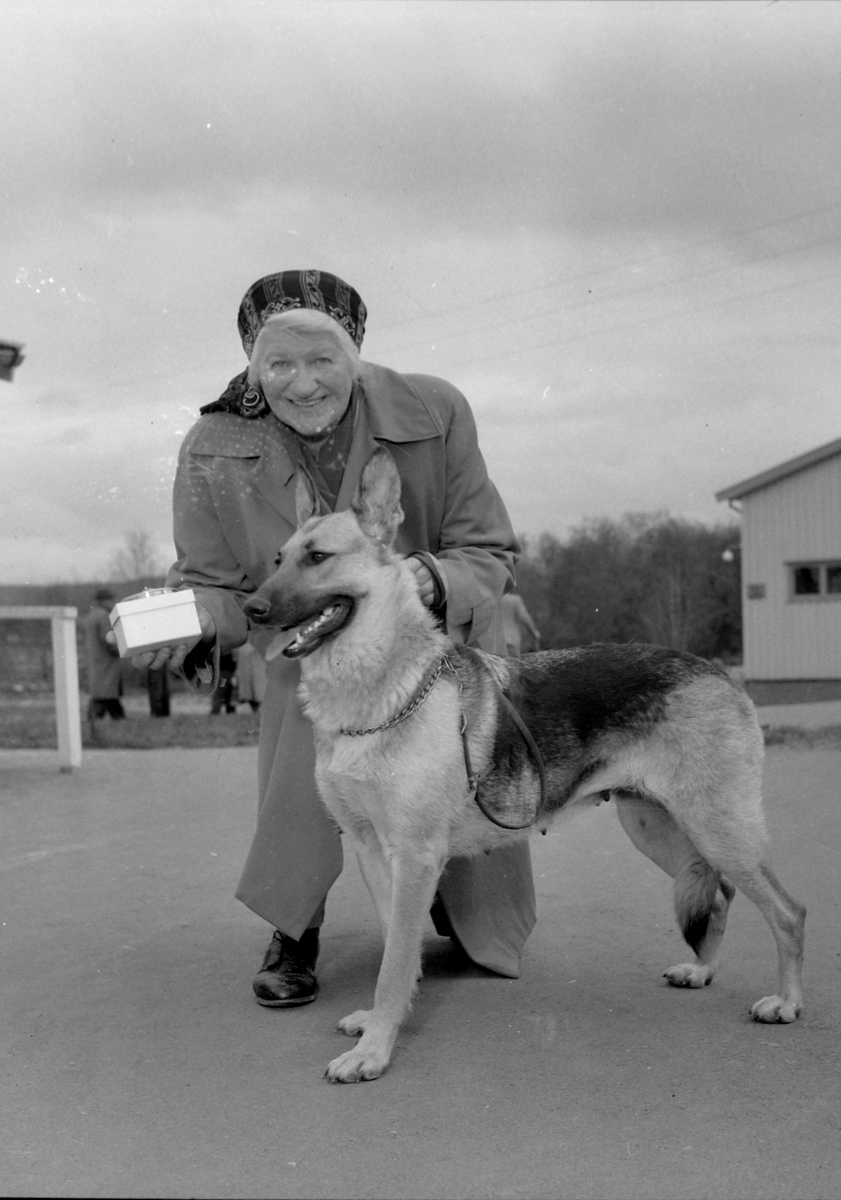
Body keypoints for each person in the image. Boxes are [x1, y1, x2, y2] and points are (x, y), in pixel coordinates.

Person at [135, 269, 536, 1007]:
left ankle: (457, 905)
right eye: (278, 363)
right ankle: (296, 925)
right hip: (307, 645)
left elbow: (488, 551)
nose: (303, 383)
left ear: (355, 353)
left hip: (432, 634)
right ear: (251, 368)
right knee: (300, 720)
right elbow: (214, 583)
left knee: (453, 760)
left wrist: (421, 579)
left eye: (322, 360)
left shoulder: (436, 409)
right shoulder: (210, 444)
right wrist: (181, 622)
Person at [83, 588, 125, 719]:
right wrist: (122, 650)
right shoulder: (104, 616)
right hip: (106, 661)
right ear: (104, 601)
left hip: (96, 660)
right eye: (110, 599)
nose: (113, 602)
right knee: (105, 694)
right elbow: (109, 639)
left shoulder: (92, 615)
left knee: (105, 694)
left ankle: (117, 718)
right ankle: (96, 720)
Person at [499, 589, 541, 657]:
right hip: (510, 641)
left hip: (493, 642)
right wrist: (534, 632)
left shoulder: (490, 599)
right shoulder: (514, 600)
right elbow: (524, 617)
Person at [234, 639, 266, 712]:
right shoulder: (243, 648)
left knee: (259, 684)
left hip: (256, 651)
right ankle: (253, 704)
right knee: (248, 685)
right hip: (247, 653)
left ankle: (258, 704)